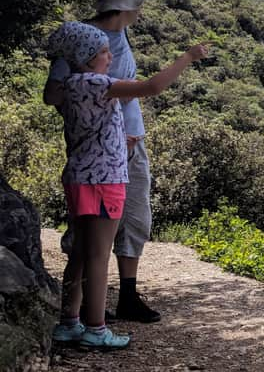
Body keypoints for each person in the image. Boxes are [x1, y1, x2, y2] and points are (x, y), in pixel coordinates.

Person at [49, 21, 208, 348]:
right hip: (105, 181)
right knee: (98, 255)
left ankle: (69, 323)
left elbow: (91, 130)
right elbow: (152, 87)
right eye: (104, 51)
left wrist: (121, 141)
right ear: (88, 57)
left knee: (79, 253)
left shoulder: (70, 86)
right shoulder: (98, 83)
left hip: (80, 176)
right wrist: (187, 57)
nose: (110, 56)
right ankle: (96, 329)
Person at [44, 0, 162, 323]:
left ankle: (126, 295)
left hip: (131, 142)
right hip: (100, 152)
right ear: (126, 7)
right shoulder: (85, 42)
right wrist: (96, 114)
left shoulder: (119, 32)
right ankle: (81, 312)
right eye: (137, 3)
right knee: (88, 232)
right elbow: (53, 94)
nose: (141, 9)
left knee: (136, 216)